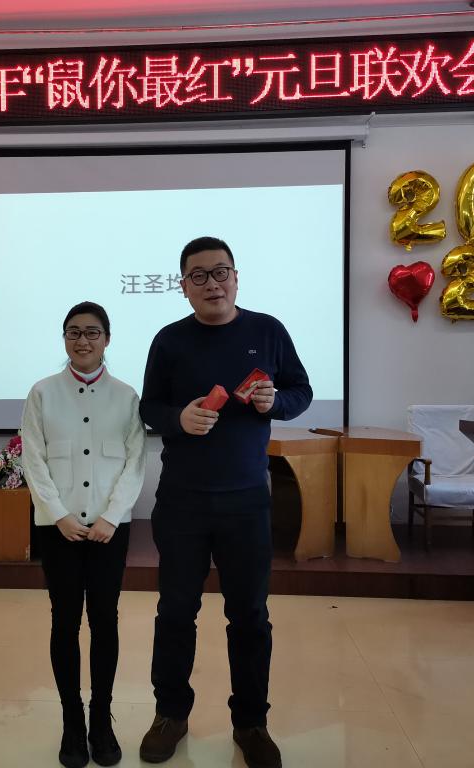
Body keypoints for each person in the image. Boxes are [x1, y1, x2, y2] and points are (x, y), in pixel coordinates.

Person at [137, 237, 312, 768]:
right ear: (183, 286)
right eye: (199, 275)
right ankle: (170, 714)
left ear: (236, 277)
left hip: (247, 502)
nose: (211, 283)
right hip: (182, 502)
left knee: (251, 617)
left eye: (220, 272)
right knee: (175, 613)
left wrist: (274, 401)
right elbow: (149, 408)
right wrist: (178, 418)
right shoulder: (169, 340)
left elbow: (300, 391)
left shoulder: (268, 331)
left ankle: (251, 723)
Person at [21, 301, 147, 768]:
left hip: (109, 530)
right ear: (64, 338)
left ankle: (101, 720)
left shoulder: (126, 396)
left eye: (92, 332)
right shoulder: (42, 393)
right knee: (65, 621)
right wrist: (58, 515)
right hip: (60, 530)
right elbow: (33, 459)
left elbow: (135, 461)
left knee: (105, 621)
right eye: (73, 332)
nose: (83, 340)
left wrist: (112, 516)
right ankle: (71, 721)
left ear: (107, 339)